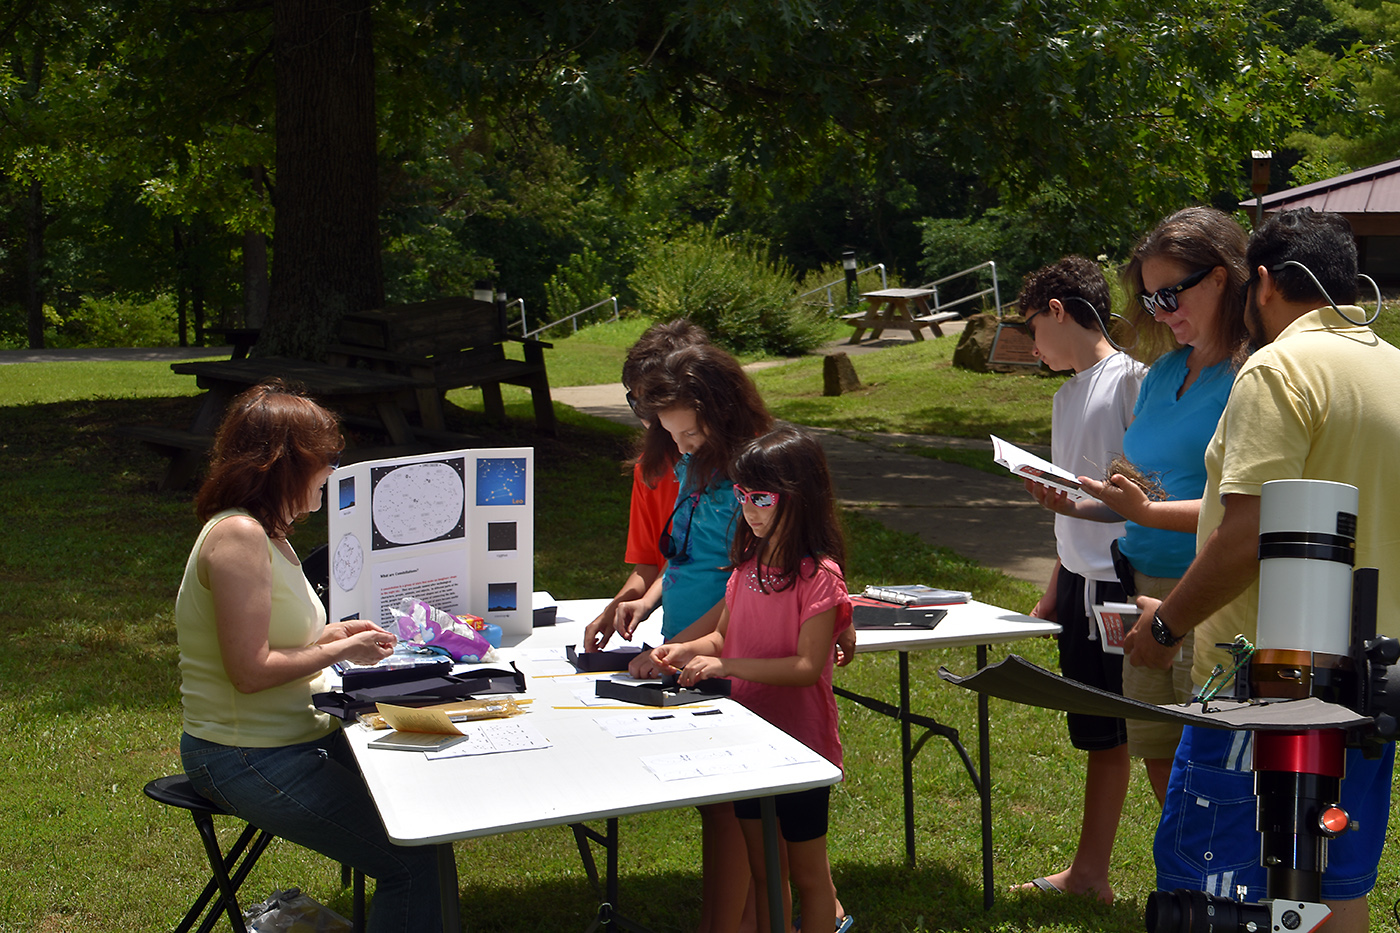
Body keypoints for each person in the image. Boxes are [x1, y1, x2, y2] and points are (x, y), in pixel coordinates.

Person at [1124, 208, 1400, 933]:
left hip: (1260, 687)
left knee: (1210, 899)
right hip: (1371, 689)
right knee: (1335, 890)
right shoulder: (1394, 368)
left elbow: (1248, 533)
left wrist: (1167, 625)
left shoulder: (1279, 369)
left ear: (1265, 283)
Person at [175, 381, 443, 932]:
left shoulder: (268, 533)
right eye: (328, 460)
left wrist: (328, 636)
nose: (332, 472)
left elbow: (272, 638)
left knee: (426, 820)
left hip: (292, 738)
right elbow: (249, 672)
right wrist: (341, 648)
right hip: (245, 754)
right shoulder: (239, 537)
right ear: (287, 463)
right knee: (411, 861)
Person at [1032, 207, 1251, 804]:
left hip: (1209, 589)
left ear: (1221, 277)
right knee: (1158, 750)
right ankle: (1184, 859)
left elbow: (1245, 510)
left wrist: (1148, 513)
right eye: (1151, 300)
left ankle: (1217, 865)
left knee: (1213, 761)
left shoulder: (1252, 374)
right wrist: (1085, 506)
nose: (1160, 312)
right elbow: (1147, 494)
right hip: (1142, 584)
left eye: (1170, 294)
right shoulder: (1163, 374)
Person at [655, 425, 853, 933]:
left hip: (803, 748)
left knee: (808, 877)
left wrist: (728, 666)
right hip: (747, 744)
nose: (749, 509)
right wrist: (684, 650)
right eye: (743, 495)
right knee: (766, 875)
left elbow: (806, 667)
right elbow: (723, 637)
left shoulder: (820, 577)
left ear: (800, 497)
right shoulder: (746, 569)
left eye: (761, 497)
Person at [1015, 256, 1147, 903]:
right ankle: (1090, 873)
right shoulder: (1065, 395)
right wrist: (1054, 587)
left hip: (1124, 584)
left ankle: (1200, 876)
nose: (1032, 346)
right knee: (1100, 733)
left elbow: (1149, 494)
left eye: (1033, 328)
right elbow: (1069, 503)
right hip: (1078, 585)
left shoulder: (1133, 381)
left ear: (1058, 311)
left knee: (1152, 734)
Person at [584, 319, 708, 652]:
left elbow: (732, 573)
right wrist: (616, 608)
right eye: (637, 403)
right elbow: (653, 563)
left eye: (655, 403)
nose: (648, 416)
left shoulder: (747, 464)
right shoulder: (649, 470)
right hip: (683, 636)